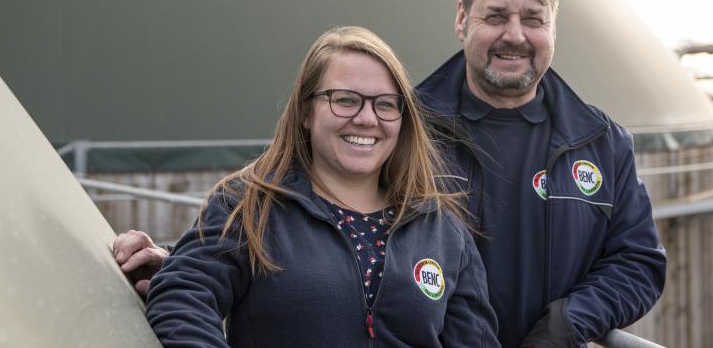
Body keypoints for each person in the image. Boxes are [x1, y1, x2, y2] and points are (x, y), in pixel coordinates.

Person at [116, 0, 666, 347]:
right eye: (495, 16)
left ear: (553, 28)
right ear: (461, 19)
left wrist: (571, 323)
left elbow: (639, 262)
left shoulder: (599, 141)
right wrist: (189, 263)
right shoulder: (401, 123)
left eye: (533, 20)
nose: (514, 36)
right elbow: (290, 219)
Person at [143, 26, 499, 347]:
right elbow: (182, 297)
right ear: (305, 111)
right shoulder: (247, 205)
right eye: (345, 100)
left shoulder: (442, 231)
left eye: (386, 105)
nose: (366, 118)